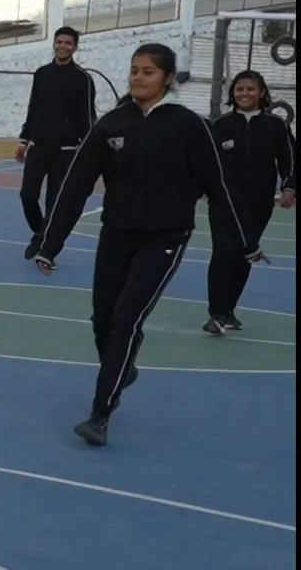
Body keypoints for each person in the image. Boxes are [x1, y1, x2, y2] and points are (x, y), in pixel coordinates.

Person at [34, 43, 262, 447]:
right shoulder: (111, 125)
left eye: (149, 72)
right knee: (101, 321)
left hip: (166, 238)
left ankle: (100, 414)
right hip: (117, 234)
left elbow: (219, 186)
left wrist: (245, 241)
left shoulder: (188, 125)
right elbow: (75, 187)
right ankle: (123, 367)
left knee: (126, 320)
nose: (139, 77)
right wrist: (51, 243)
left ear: (168, 79)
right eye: (134, 70)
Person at [203, 69, 295, 334]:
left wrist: (289, 188)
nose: (244, 94)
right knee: (222, 253)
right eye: (239, 89)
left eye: (250, 89)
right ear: (233, 93)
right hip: (223, 203)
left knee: (245, 254)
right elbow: (205, 162)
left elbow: (290, 161)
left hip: (259, 203)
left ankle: (229, 310)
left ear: (262, 93)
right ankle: (216, 313)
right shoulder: (219, 125)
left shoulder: (276, 126)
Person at [16, 26, 96, 258]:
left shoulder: (83, 79)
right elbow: (34, 109)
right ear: (54, 44)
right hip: (39, 148)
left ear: (75, 47)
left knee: (55, 201)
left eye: (68, 43)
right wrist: (24, 141)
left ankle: (45, 243)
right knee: (27, 195)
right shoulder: (42, 74)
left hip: (66, 152)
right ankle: (40, 233)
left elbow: (87, 116)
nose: (62, 46)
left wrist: (88, 147)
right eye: (59, 42)